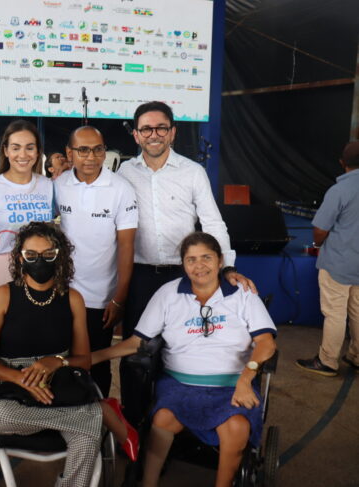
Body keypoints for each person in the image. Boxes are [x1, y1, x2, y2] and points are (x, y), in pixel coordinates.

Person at [92, 232, 277, 487]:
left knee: (236, 427)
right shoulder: (168, 294)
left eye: (206, 257)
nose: (199, 265)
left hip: (234, 383)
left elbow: (267, 343)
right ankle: (148, 483)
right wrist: (92, 357)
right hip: (180, 384)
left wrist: (246, 379)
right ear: (183, 264)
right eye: (191, 259)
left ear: (220, 261)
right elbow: (137, 342)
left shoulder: (242, 294)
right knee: (163, 419)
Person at [117, 100, 255, 426]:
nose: (154, 134)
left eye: (161, 128)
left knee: (179, 351)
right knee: (136, 356)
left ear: (172, 132)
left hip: (184, 278)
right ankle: (134, 428)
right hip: (140, 277)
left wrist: (226, 267)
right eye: (146, 129)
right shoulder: (123, 174)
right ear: (136, 135)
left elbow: (213, 223)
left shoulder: (193, 172)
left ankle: (171, 423)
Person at [0, 222, 139, 487]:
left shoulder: (73, 298)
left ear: (60, 257)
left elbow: (84, 361)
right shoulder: (3, 296)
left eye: (48, 254)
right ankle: (99, 413)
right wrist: (20, 379)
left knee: (85, 440)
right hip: (13, 380)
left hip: (60, 379)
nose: (39, 261)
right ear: (20, 258)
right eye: (31, 255)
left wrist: (57, 361)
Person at [54, 126, 138, 397]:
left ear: (105, 152)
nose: (91, 157)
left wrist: (119, 298)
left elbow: (126, 246)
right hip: (62, 294)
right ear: (69, 153)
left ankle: (98, 417)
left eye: (97, 149)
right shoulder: (58, 186)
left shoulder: (121, 188)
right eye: (83, 150)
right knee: (60, 362)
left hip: (101, 299)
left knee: (97, 367)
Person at [0, 120, 54, 314]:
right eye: (16, 148)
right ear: (6, 151)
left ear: (38, 152)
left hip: (42, 269)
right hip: (2, 270)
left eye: (30, 148)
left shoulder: (48, 186)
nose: (23, 155)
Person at [296, 141, 359, 376]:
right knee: (358, 312)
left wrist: (319, 245)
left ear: (342, 163)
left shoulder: (339, 190)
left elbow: (320, 229)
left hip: (339, 263)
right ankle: (356, 356)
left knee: (335, 314)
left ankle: (328, 361)